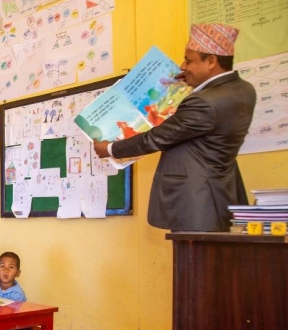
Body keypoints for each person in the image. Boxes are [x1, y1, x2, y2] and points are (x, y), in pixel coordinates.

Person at [94, 23, 256, 232]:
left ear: (211, 61)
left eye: (189, 60)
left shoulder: (203, 102)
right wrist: (193, 83)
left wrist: (110, 149)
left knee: (194, 253)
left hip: (196, 203)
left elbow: (157, 138)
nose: (182, 66)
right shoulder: (244, 90)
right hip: (219, 194)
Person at [0, 252, 31, 330]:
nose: (6, 270)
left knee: (26, 327)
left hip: (10, 323)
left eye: (11, 267)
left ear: (18, 273)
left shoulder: (18, 294)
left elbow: (16, 317)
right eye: (2, 266)